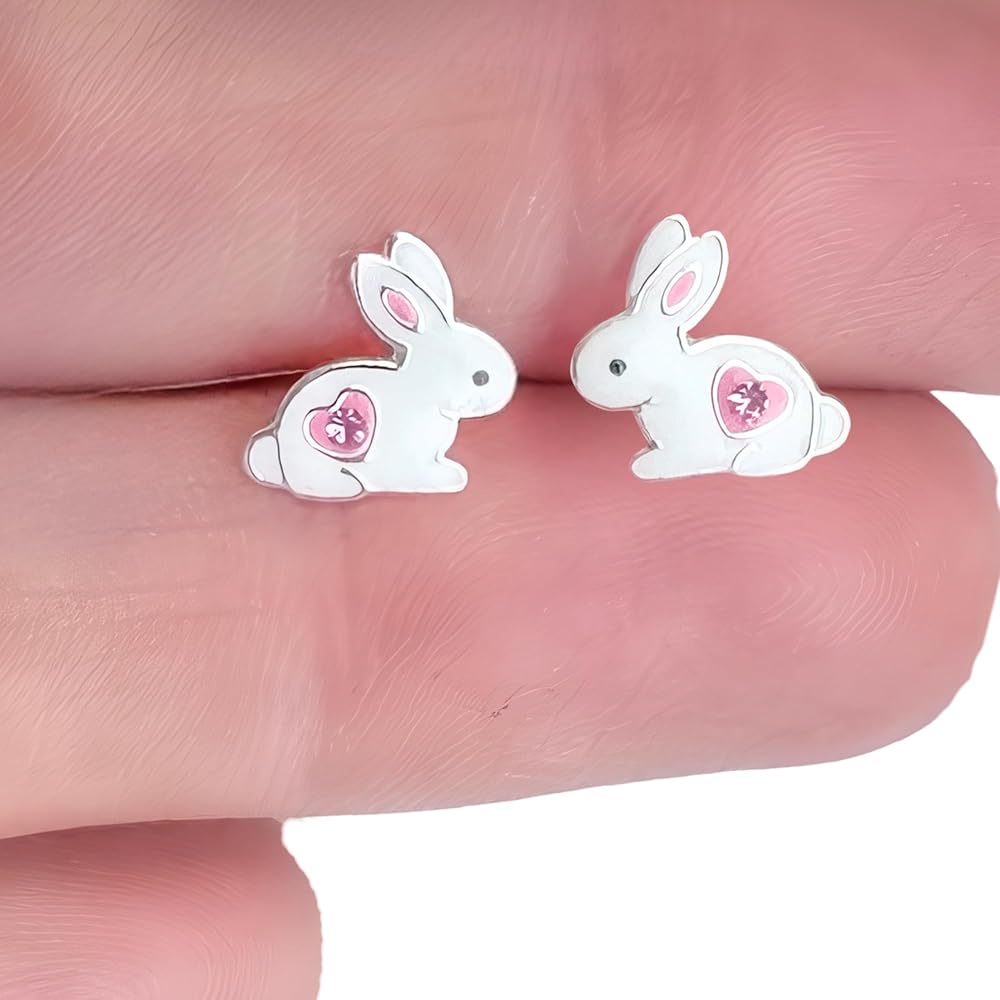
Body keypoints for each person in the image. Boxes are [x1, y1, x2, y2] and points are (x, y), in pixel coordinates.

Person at [0, 1, 997, 995]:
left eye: (614, 367)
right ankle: (325, 458)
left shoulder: (690, 374)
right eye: (477, 380)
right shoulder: (402, 391)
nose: (496, 391)